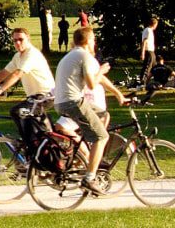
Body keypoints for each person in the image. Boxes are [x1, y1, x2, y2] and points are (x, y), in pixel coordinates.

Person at [53, 27, 129, 195]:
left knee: (103, 113)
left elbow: (98, 78)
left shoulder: (71, 55)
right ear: (88, 41)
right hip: (73, 102)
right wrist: (101, 70)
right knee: (102, 136)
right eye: (94, 40)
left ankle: (88, 146)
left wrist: (119, 95)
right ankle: (89, 178)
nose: (95, 43)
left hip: (62, 102)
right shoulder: (84, 56)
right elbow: (92, 84)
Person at [0, 28, 55, 99]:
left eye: (21, 39)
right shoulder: (18, 56)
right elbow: (4, 73)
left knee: (16, 111)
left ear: (28, 39)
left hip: (46, 95)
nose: (18, 43)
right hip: (34, 96)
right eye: (15, 40)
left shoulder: (31, 54)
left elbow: (17, 74)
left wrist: (0, 90)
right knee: (22, 112)